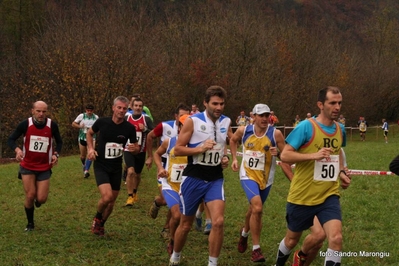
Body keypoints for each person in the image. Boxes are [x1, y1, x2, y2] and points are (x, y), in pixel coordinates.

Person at [274, 86, 351, 266]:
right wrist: (312, 156)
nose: (337, 107)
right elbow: (284, 155)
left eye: (339, 103)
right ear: (320, 105)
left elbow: (337, 151)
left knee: (336, 239)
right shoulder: (306, 127)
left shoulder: (340, 129)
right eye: (332, 103)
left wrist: (341, 171)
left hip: (328, 195)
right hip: (302, 196)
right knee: (291, 240)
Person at [169, 85, 233, 266]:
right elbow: (178, 149)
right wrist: (200, 149)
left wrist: (225, 157)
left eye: (221, 104)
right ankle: (176, 255)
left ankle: (212, 263)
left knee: (218, 222)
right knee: (186, 225)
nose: (218, 107)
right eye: (214, 103)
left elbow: (222, 145)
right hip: (193, 178)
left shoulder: (226, 121)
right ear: (206, 103)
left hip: (215, 178)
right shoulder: (193, 121)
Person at [230, 103, 293, 262]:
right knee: (257, 207)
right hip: (247, 175)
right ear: (254, 117)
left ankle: (244, 234)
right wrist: (233, 159)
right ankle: (256, 249)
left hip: (266, 178)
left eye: (267, 115)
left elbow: (286, 156)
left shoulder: (275, 134)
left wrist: (277, 153)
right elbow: (233, 140)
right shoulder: (244, 130)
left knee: (253, 210)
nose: (265, 119)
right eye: (261, 116)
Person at [87, 96, 139, 236]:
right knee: (107, 197)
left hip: (116, 167)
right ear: (113, 108)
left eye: (124, 108)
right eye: (119, 108)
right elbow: (89, 133)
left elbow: (135, 147)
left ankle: (101, 225)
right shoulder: (102, 122)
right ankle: (97, 217)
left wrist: (136, 149)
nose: (121, 111)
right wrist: (90, 149)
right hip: (101, 165)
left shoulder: (129, 128)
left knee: (111, 203)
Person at [7, 101, 63, 231]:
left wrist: (56, 154)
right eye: (38, 111)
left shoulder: (52, 125)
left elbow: (59, 142)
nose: (41, 114)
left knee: (42, 199)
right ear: (32, 111)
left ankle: (38, 201)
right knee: (30, 195)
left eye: (44, 111)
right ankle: (30, 223)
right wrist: (17, 150)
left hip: (44, 166)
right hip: (27, 165)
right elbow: (10, 139)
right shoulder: (25, 124)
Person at [145, 103, 190, 238]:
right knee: (167, 199)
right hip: (165, 167)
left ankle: (166, 228)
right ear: (176, 116)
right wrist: (151, 159)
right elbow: (150, 136)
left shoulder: (193, 138)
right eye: (182, 116)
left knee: (176, 202)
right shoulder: (165, 127)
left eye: (188, 116)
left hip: (183, 170)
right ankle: (158, 202)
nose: (185, 119)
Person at [153, 114, 189, 255]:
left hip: (186, 186)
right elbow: (157, 154)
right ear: (179, 127)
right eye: (182, 126)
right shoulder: (169, 142)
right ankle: (173, 241)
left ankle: (172, 238)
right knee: (177, 215)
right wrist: (161, 168)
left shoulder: (196, 145)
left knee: (182, 219)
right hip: (169, 184)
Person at [125, 97, 154, 206]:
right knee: (130, 171)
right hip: (128, 149)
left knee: (137, 174)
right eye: (136, 106)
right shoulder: (126, 117)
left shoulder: (146, 119)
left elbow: (154, 133)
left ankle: (135, 192)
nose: (138, 108)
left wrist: (145, 129)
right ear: (131, 107)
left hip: (141, 151)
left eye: (140, 106)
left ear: (143, 107)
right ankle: (129, 196)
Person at [71, 104, 99, 178]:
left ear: (93, 111)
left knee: (90, 154)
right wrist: (80, 126)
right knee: (83, 156)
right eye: (88, 110)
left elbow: (99, 127)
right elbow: (73, 124)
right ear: (86, 110)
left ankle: (86, 171)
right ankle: (84, 165)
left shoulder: (96, 117)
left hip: (92, 138)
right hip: (82, 137)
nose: (89, 112)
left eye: (91, 110)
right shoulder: (82, 116)